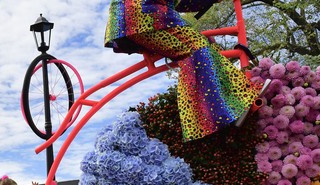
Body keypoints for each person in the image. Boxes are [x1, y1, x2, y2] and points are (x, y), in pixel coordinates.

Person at [104, 0, 269, 141]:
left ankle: (230, 103)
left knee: (207, 45)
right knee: (197, 47)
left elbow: (182, 3)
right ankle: (210, 116)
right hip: (145, 16)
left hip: (134, 19)